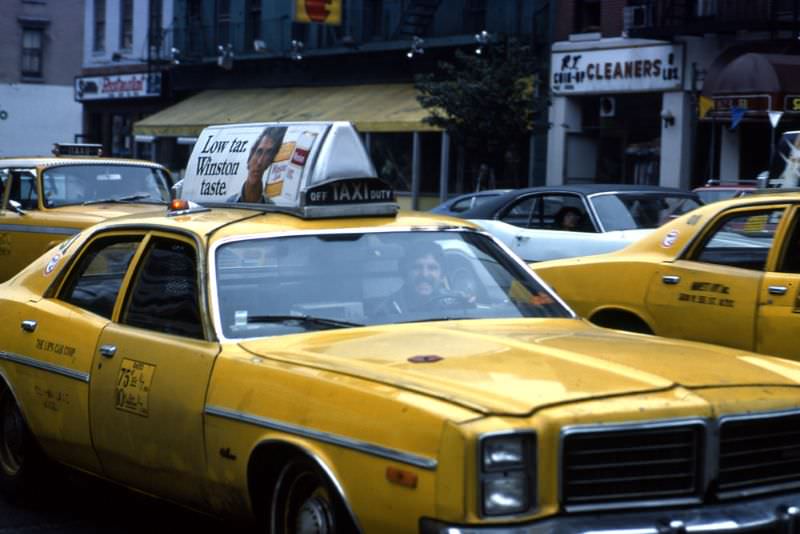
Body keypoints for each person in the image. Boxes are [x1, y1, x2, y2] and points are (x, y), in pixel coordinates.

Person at [227, 126, 287, 203]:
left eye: (267, 154)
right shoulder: (229, 204)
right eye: (259, 152)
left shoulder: (271, 208)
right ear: (249, 159)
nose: (260, 162)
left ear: (269, 163)